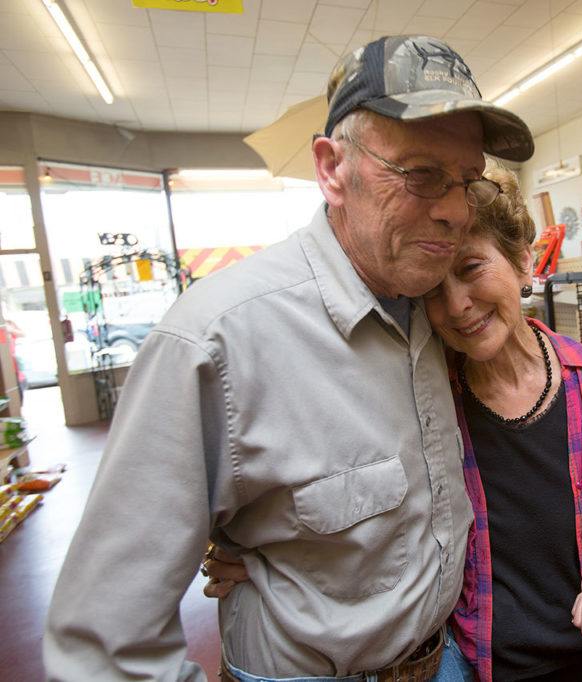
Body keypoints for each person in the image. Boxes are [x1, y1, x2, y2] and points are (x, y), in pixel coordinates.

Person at [44, 35, 544, 682]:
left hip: (444, 658)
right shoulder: (218, 340)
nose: (452, 210)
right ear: (333, 169)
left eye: (466, 182)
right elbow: (103, 647)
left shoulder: (432, 308)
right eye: (420, 174)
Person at [208, 166, 582, 681]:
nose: (456, 305)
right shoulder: (419, 404)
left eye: (471, 268)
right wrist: (274, 558)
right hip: (477, 666)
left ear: (524, 262)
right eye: (432, 290)